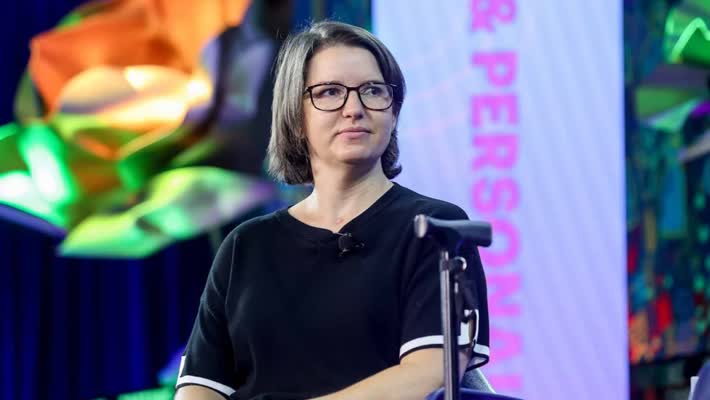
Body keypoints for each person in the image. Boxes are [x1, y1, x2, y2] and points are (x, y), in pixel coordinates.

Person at [174, 21, 490, 400]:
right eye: (330, 92)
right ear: (295, 115)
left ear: (393, 112)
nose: (354, 109)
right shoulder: (245, 247)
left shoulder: (436, 230)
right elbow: (198, 390)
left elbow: (430, 375)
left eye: (373, 91)